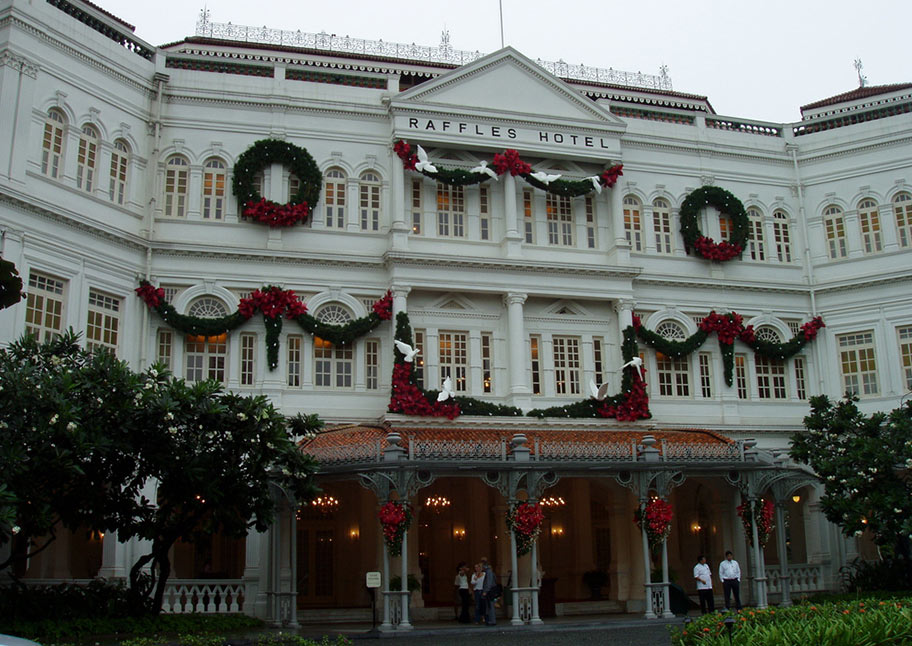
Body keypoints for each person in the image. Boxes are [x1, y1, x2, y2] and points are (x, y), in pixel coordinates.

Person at [480, 557, 497, 625]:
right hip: (490, 590)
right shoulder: (489, 571)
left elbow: (489, 582)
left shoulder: (489, 572)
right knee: (489, 606)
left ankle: (492, 620)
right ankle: (491, 619)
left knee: (490, 606)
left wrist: (486, 591)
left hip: (490, 591)